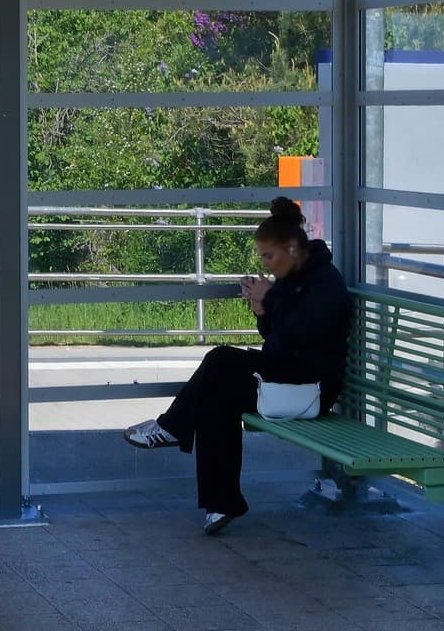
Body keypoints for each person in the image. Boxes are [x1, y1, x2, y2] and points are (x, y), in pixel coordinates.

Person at [125, 195, 350, 535]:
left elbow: (305, 335)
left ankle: (172, 427)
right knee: (217, 393)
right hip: (288, 374)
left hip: (312, 387)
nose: (266, 264)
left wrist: (270, 299)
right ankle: (221, 503)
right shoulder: (292, 278)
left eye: (269, 256)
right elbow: (279, 335)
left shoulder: (325, 283)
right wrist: (263, 311)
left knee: (220, 360)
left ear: (292, 248)